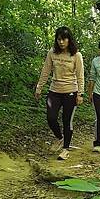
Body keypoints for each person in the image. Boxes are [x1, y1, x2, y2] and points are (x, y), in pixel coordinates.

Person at [35, 27, 84, 160]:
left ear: (69, 40)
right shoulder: (52, 52)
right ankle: (59, 138)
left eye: (64, 39)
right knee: (51, 118)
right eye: (59, 39)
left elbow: (80, 76)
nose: (61, 42)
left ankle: (65, 149)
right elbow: (46, 71)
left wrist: (80, 94)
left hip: (70, 92)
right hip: (54, 91)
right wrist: (39, 87)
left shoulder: (76, 55)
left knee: (67, 121)